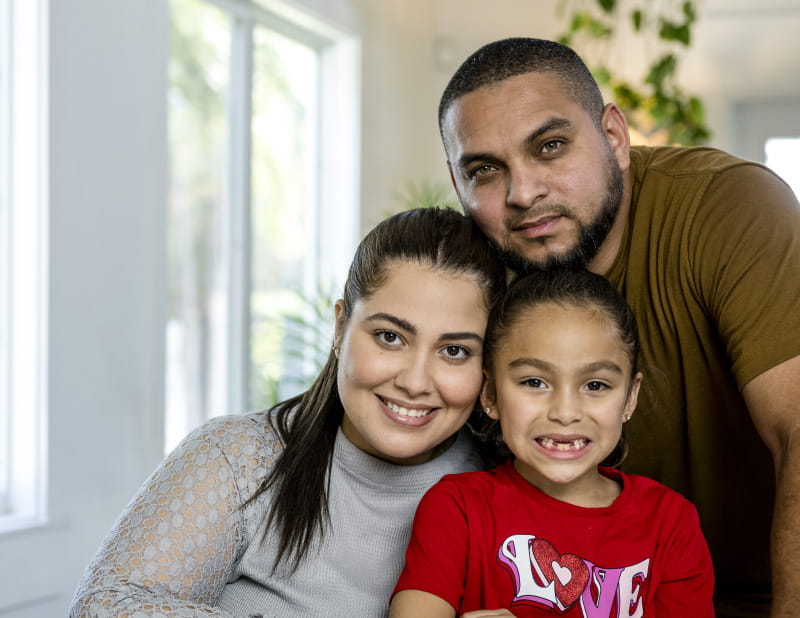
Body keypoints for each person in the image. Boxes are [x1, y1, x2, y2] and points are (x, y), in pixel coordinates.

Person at [436, 37, 800, 617]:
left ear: (614, 136)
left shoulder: (727, 207)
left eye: (551, 146)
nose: (524, 193)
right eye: (485, 169)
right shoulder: (471, 270)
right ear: (459, 187)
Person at [69, 207, 507, 617]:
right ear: (340, 327)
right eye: (390, 337)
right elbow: (106, 605)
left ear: (486, 366)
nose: (415, 381)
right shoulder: (239, 459)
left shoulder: (508, 484)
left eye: (454, 350)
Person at [390, 268, 715, 618]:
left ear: (630, 398)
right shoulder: (458, 508)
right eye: (534, 382)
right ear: (490, 392)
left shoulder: (671, 523)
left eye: (595, 385)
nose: (565, 412)